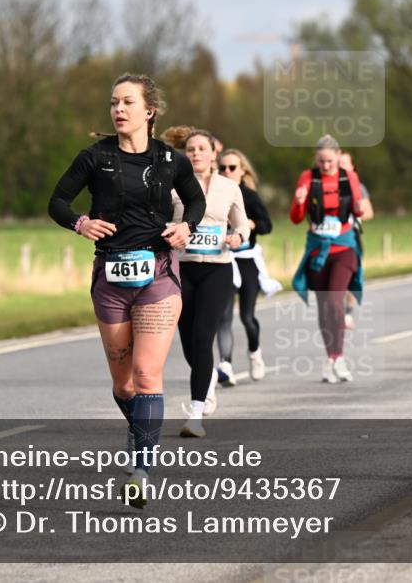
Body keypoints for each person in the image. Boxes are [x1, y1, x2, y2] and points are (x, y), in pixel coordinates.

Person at [47, 73, 205, 507]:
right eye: (113, 102)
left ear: (148, 111)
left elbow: (195, 201)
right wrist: (81, 223)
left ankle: (142, 469)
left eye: (127, 102)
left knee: (146, 374)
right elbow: (57, 202)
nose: (118, 109)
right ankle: (141, 436)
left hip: (157, 274)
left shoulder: (170, 161)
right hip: (110, 278)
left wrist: (185, 226)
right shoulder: (94, 157)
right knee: (123, 385)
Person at [167, 127, 250, 437]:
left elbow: (243, 224)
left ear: (214, 152)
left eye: (202, 148)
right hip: (183, 269)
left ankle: (196, 414)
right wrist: (171, 231)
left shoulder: (229, 187)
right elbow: (161, 219)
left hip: (217, 269)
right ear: (184, 154)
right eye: (191, 149)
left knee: (203, 337)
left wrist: (238, 236)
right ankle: (208, 378)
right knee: (189, 342)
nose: (196, 153)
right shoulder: (173, 188)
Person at [291, 135, 366, 384]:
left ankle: (339, 356)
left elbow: (358, 210)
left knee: (335, 301)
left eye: (330, 161)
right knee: (324, 307)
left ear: (338, 157)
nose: (325, 166)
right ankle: (331, 357)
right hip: (317, 250)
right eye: (321, 161)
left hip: (344, 248)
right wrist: (300, 202)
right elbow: (295, 217)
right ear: (316, 159)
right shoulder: (308, 177)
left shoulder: (347, 176)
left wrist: (359, 205)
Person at [215, 148, 273, 385]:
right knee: (224, 316)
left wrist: (249, 223)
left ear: (242, 171)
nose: (227, 172)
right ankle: (225, 365)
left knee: (247, 317)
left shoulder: (249, 196)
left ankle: (255, 353)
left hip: (247, 260)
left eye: (232, 168)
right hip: (223, 259)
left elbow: (267, 225)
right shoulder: (213, 194)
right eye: (222, 168)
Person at [339, 151, 373, 329]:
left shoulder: (358, 187)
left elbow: (369, 212)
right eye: (339, 164)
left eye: (346, 164)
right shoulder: (325, 186)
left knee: (351, 278)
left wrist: (357, 215)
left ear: (353, 167)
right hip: (332, 239)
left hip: (352, 237)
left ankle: (347, 313)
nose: (342, 167)